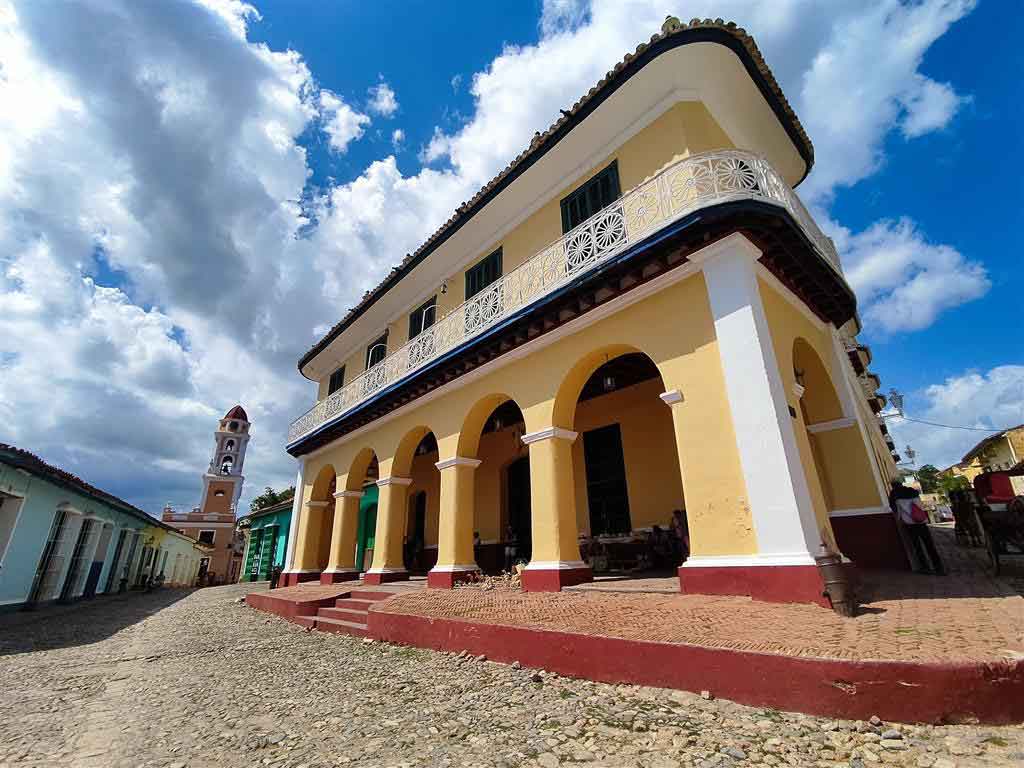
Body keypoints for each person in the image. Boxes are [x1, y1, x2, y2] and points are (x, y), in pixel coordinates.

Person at [889, 479, 945, 575]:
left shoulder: (894, 495)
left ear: (893, 486)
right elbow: (920, 506)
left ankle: (924, 567)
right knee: (929, 545)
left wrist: (900, 521)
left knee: (917, 546)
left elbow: (896, 511)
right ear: (901, 484)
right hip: (921, 521)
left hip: (909, 524)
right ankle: (939, 567)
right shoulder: (913, 492)